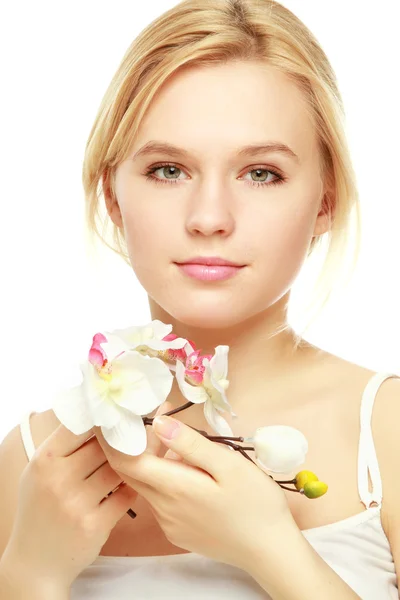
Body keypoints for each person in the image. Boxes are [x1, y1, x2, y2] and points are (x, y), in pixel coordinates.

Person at [0, 0, 399, 598]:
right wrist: (31, 575)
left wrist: (271, 548)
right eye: (168, 170)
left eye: (261, 173)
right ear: (112, 196)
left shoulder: (385, 431)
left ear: (325, 201)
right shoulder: (35, 460)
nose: (209, 218)